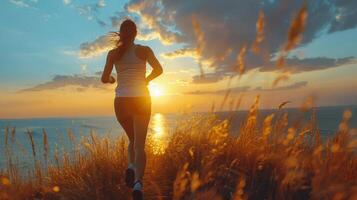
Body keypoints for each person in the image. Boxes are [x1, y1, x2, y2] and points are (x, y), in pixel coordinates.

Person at [101, 19, 163, 200]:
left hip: (121, 102)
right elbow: (159, 70)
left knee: (133, 139)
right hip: (141, 99)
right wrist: (147, 80)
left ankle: (130, 166)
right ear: (135, 33)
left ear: (121, 33)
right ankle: (137, 184)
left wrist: (113, 80)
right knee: (139, 145)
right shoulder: (144, 50)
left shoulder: (113, 54)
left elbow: (105, 78)